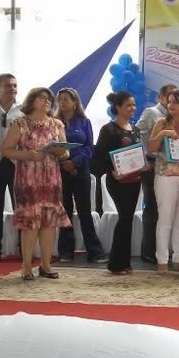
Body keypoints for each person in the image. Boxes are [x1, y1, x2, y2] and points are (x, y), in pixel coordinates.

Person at [0, 87, 71, 280]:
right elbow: (6, 150)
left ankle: (46, 265)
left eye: (49, 99)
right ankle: (26, 266)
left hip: (51, 179)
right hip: (28, 179)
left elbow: (66, 152)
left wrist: (61, 152)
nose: (47, 101)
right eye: (42, 98)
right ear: (31, 100)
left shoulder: (57, 124)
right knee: (30, 223)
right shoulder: (20, 123)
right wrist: (27, 155)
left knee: (49, 222)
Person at [93, 91, 146, 275]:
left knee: (128, 219)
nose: (133, 108)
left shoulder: (135, 129)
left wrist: (143, 164)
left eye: (134, 105)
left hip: (135, 180)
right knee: (124, 218)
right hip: (118, 181)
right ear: (118, 107)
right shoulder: (109, 129)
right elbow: (99, 156)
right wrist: (112, 172)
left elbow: (138, 153)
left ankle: (125, 262)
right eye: (128, 105)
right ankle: (116, 263)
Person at [54, 88, 107, 264]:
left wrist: (75, 163)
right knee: (65, 211)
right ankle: (65, 252)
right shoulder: (54, 122)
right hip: (60, 170)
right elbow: (51, 146)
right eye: (60, 99)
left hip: (81, 170)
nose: (62, 102)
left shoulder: (84, 121)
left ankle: (94, 252)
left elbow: (89, 147)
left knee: (85, 212)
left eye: (66, 99)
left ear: (75, 102)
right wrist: (64, 163)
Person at [148, 90, 179, 273]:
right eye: (169, 102)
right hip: (165, 176)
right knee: (165, 218)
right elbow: (151, 148)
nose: (171, 105)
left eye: (175, 102)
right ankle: (162, 260)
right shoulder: (162, 122)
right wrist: (163, 134)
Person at [135, 84, 176, 264]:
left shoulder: (174, 116)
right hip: (151, 164)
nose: (171, 101)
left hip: (169, 166)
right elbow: (136, 134)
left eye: (175, 98)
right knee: (152, 207)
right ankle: (148, 250)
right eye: (169, 97)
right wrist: (144, 159)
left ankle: (163, 249)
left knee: (166, 209)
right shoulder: (151, 112)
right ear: (160, 97)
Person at [0, 73, 23, 262]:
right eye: (8, 85)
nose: (12, 89)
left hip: (16, 163)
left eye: (15, 85)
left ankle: (23, 247)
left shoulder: (23, 109)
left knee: (21, 207)